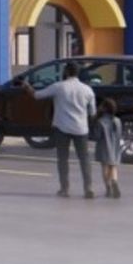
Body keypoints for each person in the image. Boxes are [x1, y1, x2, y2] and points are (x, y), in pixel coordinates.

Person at [25, 62, 98, 198]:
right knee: (84, 159)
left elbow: (36, 95)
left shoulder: (58, 87)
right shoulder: (87, 90)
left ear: (66, 72)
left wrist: (26, 86)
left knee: (63, 159)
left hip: (62, 128)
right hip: (81, 129)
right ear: (77, 73)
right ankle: (88, 188)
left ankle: (65, 189)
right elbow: (92, 112)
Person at [94, 98, 124, 199]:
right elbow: (119, 134)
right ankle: (114, 181)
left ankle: (108, 187)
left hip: (104, 147)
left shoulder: (100, 121)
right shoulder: (117, 121)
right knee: (113, 166)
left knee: (105, 168)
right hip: (115, 146)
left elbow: (97, 136)